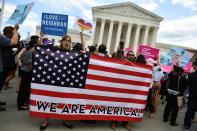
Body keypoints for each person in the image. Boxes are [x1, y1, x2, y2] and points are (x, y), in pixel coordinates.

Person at [39, 35, 74, 131]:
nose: (67, 42)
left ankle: (65, 119)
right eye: (65, 40)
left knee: (66, 100)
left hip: (66, 81)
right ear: (61, 42)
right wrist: (41, 38)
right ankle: (46, 120)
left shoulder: (72, 53)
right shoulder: (54, 50)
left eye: (69, 41)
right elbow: (41, 49)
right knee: (50, 99)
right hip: (54, 79)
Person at [110, 49, 132, 131]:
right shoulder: (114, 62)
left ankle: (125, 122)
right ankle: (114, 122)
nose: (121, 55)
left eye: (122, 54)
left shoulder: (126, 62)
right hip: (115, 86)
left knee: (125, 104)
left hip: (124, 87)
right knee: (115, 104)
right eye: (119, 54)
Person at [0, 24, 19, 111]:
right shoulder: (2, 38)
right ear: (8, 33)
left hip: (4, 66)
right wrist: (15, 29)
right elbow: (14, 42)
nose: (13, 34)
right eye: (12, 33)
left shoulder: (4, 38)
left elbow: (16, 43)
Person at [17, 40, 36, 110]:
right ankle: (21, 105)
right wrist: (32, 71)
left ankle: (21, 102)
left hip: (22, 70)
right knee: (24, 89)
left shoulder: (25, 51)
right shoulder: (31, 53)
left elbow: (21, 58)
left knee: (22, 88)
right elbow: (30, 64)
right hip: (27, 72)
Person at [184, 61, 197, 131]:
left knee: (189, 110)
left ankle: (187, 126)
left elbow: (187, 84)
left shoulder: (191, 75)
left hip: (192, 95)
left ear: (195, 66)